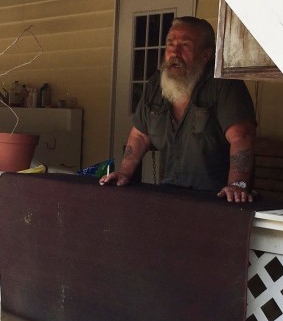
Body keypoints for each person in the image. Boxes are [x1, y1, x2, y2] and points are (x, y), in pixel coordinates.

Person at [100, 16, 257, 202]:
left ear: (206, 55)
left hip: (216, 198)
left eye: (185, 46)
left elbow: (242, 136)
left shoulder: (224, 85)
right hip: (170, 193)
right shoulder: (156, 85)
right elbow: (140, 135)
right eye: (170, 44)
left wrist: (236, 185)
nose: (174, 52)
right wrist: (124, 172)